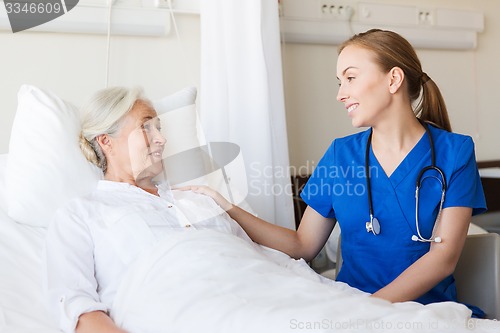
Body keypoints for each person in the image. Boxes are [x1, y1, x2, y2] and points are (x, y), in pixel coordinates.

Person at [186, 29, 487, 317]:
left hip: (427, 313)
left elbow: (442, 259)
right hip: (350, 306)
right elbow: (302, 245)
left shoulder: (455, 152)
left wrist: (369, 309)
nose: (341, 94)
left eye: (351, 78)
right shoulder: (340, 156)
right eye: (339, 82)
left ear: (393, 79)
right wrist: (228, 207)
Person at [42, 87, 251, 333]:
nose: (161, 139)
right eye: (146, 127)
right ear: (106, 141)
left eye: (159, 128)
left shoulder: (197, 199)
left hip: (260, 299)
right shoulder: (81, 215)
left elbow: (255, 257)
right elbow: (78, 308)